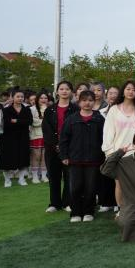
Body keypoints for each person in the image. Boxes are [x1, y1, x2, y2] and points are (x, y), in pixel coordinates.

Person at [59, 90, 106, 222]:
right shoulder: (71, 119)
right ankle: (75, 212)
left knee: (91, 187)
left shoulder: (99, 119)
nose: (87, 103)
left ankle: (88, 212)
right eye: (84, 100)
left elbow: (104, 138)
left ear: (94, 102)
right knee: (75, 187)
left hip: (94, 160)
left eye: (90, 100)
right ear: (79, 102)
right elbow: (64, 139)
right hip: (75, 160)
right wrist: (64, 156)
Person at [42, 81, 78, 212]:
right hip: (52, 149)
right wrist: (56, 145)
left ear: (71, 92)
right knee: (53, 176)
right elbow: (46, 130)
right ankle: (54, 203)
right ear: (57, 92)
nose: (64, 91)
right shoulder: (49, 110)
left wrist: (65, 146)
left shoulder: (76, 109)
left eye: (67, 89)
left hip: (70, 149)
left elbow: (76, 130)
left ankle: (67, 202)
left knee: (69, 177)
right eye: (61, 89)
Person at [0, 88, 32, 187]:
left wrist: (16, 121)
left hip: (23, 137)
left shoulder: (27, 109)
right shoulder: (6, 110)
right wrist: (21, 121)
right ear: (12, 97)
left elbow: (29, 121)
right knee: (7, 159)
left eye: (22, 96)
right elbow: (7, 123)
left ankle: (21, 179)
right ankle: (7, 180)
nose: (20, 98)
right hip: (8, 137)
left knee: (23, 158)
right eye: (18, 96)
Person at [29, 92, 49, 183]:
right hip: (35, 135)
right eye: (41, 98)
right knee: (36, 156)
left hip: (47, 135)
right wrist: (44, 121)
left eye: (45, 98)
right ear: (37, 99)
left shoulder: (49, 109)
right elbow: (33, 122)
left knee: (45, 156)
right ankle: (35, 176)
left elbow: (51, 122)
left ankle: (44, 176)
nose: (43, 100)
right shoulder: (32, 109)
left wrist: (43, 120)